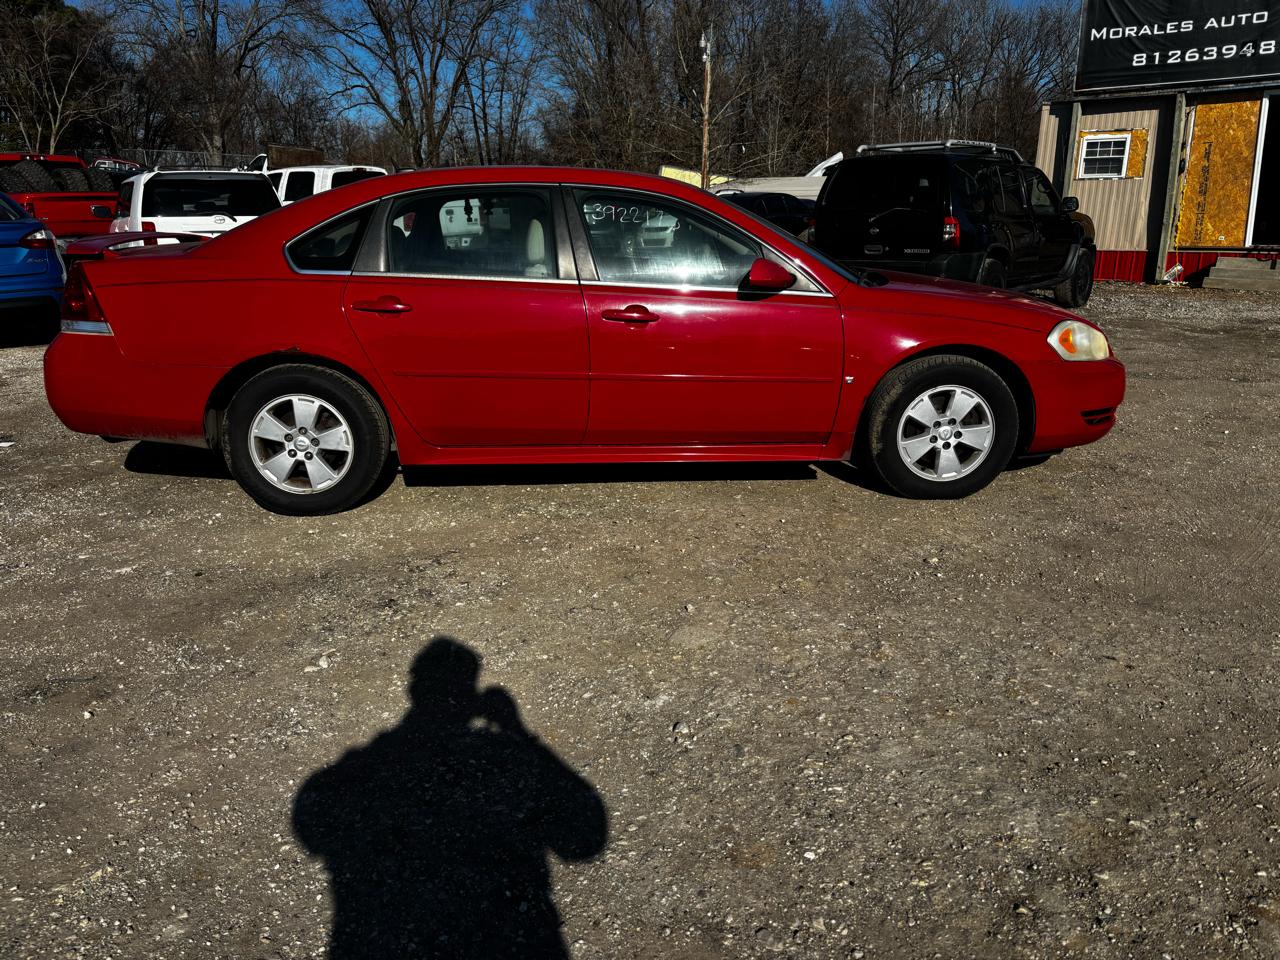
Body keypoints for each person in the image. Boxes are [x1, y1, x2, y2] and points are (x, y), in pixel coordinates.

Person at [293, 637, 607, 959]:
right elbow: (584, 840)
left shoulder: (362, 770)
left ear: (414, 690)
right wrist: (519, 734)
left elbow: (312, 821)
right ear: (469, 696)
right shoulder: (503, 759)